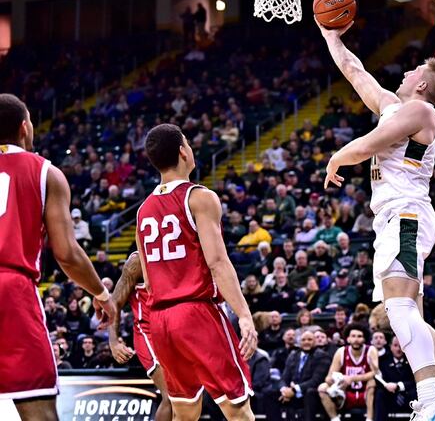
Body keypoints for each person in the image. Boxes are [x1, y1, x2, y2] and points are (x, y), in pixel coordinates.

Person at [317, 18, 435, 421]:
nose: (405, 72)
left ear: (422, 84)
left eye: (413, 70)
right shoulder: (394, 108)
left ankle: (429, 401)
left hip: (405, 213)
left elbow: (370, 144)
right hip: (397, 216)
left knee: (399, 311)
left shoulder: (422, 111)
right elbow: (356, 72)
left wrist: (339, 155)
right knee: (413, 319)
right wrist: (331, 36)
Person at [0, 93, 117, 420]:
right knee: (38, 411)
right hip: (11, 289)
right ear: (24, 128)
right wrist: (101, 293)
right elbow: (66, 254)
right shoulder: (45, 173)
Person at [135, 124, 257, 420]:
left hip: (161, 319)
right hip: (196, 313)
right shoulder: (200, 197)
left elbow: (149, 280)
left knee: (185, 412)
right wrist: (243, 314)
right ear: (182, 151)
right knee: (237, 408)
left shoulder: (143, 210)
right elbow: (217, 262)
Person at [108, 252, 172, 420]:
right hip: (148, 332)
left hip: (174, 330)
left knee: (189, 398)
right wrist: (114, 341)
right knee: (171, 396)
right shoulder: (137, 261)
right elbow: (114, 302)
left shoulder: (181, 254)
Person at [266, 331, 331, 421]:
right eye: (303, 340)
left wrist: (294, 389)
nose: (306, 342)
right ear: (299, 342)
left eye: (310, 339)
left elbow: (316, 380)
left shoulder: (323, 356)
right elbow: (284, 378)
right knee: (270, 394)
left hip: (309, 392)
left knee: (310, 392)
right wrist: (284, 390)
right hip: (291, 393)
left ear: (315, 341)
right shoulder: (293, 355)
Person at [318, 324, 379, 421]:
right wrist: (339, 380)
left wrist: (352, 378)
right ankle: (335, 418)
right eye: (353, 336)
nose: (356, 339)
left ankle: (369, 418)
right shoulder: (341, 352)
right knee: (322, 387)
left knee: (372, 382)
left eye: (359, 336)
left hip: (365, 392)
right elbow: (328, 378)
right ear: (348, 338)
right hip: (345, 393)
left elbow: (375, 373)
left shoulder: (371, 350)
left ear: (364, 339)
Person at [375, 336, 417, 420]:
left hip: (407, 393)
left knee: (416, 391)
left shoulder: (412, 361)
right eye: (395, 345)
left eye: (401, 346)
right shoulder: (383, 362)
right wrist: (386, 385)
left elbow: (414, 380)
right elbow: (378, 378)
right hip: (389, 394)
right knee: (379, 393)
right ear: (390, 346)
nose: (398, 349)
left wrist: (398, 386)